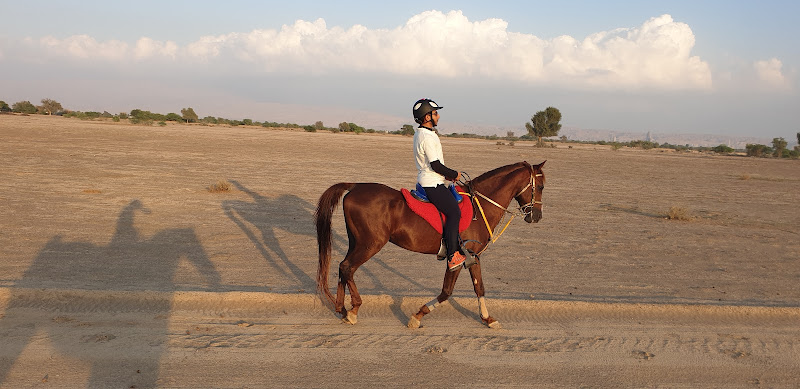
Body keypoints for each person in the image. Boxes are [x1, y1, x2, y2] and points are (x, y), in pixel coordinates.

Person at [412, 98, 470, 271]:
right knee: (454, 212)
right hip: (431, 183)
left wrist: (447, 176)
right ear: (427, 117)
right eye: (435, 113)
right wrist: (453, 174)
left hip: (432, 179)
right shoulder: (427, 137)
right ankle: (452, 255)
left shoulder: (423, 134)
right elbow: (435, 165)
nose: (438, 116)